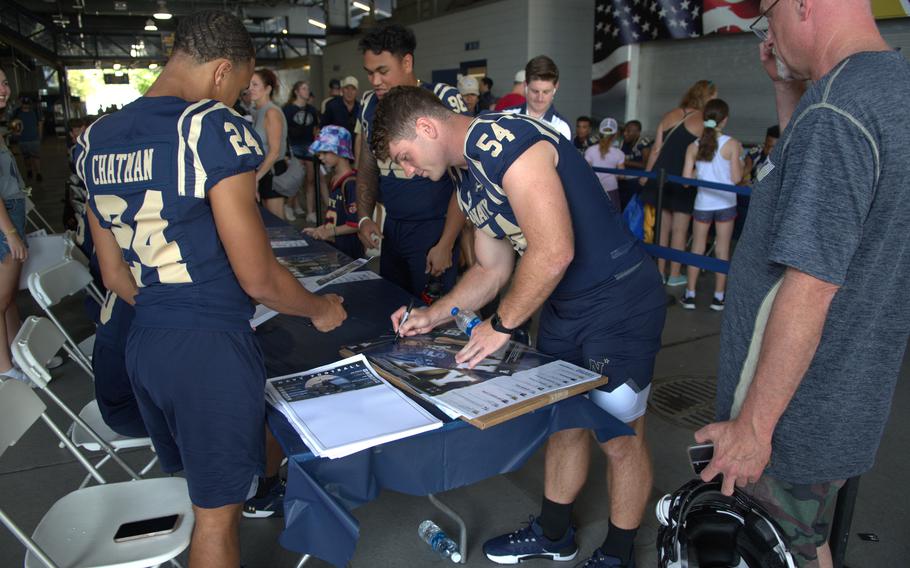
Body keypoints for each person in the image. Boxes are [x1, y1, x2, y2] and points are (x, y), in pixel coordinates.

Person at [74, 12, 346, 566]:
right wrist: (319, 309)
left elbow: (114, 275)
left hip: (146, 340)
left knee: (200, 494)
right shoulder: (208, 128)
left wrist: (172, 307)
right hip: (208, 348)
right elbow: (258, 276)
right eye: (240, 87)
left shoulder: (96, 138)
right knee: (216, 523)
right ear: (223, 71)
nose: (236, 101)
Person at [373, 86, 666, 568]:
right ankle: (555, 533)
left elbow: (554, 251)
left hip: (617, 300)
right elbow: (492, 269)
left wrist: (501, 325)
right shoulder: (465, 177)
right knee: (564, 422)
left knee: (620, 434)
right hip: (561, 304)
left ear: (426, 128)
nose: (408, 171)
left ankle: (620, 553)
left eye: (405, 157)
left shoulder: (506, 143)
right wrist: (434, 313)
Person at [695, 3, 910, 568]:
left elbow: (811, 284)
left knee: (766, 550)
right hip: (848, 395)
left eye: (768, 17)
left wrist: (754, 427)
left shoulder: (836, 112)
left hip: (793, 416)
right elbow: (821, 198)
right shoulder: (890, 86)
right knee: (808, 547)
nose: (770, 36)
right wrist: (788, 94)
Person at [355, 22, 467, 298]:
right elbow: (367, 167)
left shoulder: (442, 99)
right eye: (369, 73)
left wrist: (446, 242)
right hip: (392, 227)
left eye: (383, 71)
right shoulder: (370, 103)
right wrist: (363, 217)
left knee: (434, 317)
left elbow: (467, 180)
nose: (375, 81)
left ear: (407, 62)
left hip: (433, 228)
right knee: (393, 306)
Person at [641, 79, 717, 285]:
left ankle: (659, 271)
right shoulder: (703, 120)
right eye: (713, 97)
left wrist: (646, 175)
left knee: (662, 229)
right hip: (682, 179)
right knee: (680, 230)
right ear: (706, 97)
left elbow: (656, 149)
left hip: (660, 177)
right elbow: (707, 150)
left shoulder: (670, 115)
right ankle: (674, 275)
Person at [679, 99, 742, 312]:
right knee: (722, 250)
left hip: (703, 203)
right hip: (726, 202)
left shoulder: (693, 146)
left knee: (697, 248)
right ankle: (718, 297)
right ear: (725, 120)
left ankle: (690, 294)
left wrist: (701, 171)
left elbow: (686, 181)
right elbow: (736, 178)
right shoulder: (732, 144)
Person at [0, 67, 29, 384]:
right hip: (4, 219)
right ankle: (5, 367)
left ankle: (17, 356)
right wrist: (9, 233)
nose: (3, 89)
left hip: (11, 213)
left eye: (5, 83)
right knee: (1, 299)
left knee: (7, 299)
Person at [304, 125, 363, 259]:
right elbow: (335, 215)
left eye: (325, 152)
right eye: (319, 153)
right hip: (335, 247)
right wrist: (321, 230)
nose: (320, 157)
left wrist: (329, 232)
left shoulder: (351, 184)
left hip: (349, 250)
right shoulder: (335, 178)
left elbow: (356, 224)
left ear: (340, 151)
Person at [249, 68, 290, 220]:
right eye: (250, 84)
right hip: (262, 171)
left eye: (255, 84)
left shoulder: (271, 112)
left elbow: (275, 151)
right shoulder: (257, 111)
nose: (250, 88)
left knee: (277, 223)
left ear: (267, 89)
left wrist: (256, 178)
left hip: (272, 171)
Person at [501, 56, 572, 140]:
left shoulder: (562, 127)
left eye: (546, 92)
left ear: (555, 87)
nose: (540, 98)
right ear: (525, 85)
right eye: (535, 91)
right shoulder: (507, 116)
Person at [284, 81, 321, 222]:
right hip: (295, 146)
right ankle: (288, 205)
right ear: (296, 91)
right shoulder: (288, 110)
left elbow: (316, 130)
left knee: (311, 180)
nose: (307, 91)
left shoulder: (311, 110)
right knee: (296, 178)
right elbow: (285, 132)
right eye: (304, 89)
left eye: (307, 88)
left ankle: (310, 211)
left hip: (309, 146)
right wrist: (287, 153)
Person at [585, 117, 625, 213]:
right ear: (615, 135)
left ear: (599, 134)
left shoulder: (590, 150)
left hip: (594, 188)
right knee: (612, 218)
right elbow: (622, 176)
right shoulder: (619, 153)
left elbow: (586, 172)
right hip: (611, 189)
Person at [618, 120, 651, 210]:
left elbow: (646, 165)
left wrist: (624, 162)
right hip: (622, 180)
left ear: (637, 133)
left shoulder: (643, 143)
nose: (625, 133)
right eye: (624, 130)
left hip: (636, 182)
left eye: (628, 131)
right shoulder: (622, 143)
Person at [11, 95, 42, 182]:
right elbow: (13, 124)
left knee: (36, 157)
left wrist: (40, 135)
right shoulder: (17, 112)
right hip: (22, 139)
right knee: (26, 157)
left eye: (27, 104)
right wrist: (16, 133)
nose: (26, 105)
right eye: (24, 104)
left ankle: (38, 173)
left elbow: (39, 123)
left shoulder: (34, 112)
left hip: (34, 138)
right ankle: (29, 170)